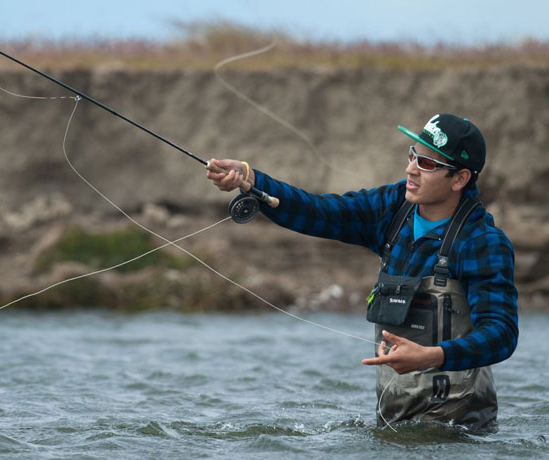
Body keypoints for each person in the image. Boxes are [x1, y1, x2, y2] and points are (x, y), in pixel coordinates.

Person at [206, 114, 518, 430]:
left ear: (460, 178)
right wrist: (253, 180)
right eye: (412, 155)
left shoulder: (482, 242)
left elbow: (501, 334)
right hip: (394, 424)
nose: (410, 169)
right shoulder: (393, 207)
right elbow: (319, 212)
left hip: (462, 429)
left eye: (426, 164)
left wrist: (434, 356)